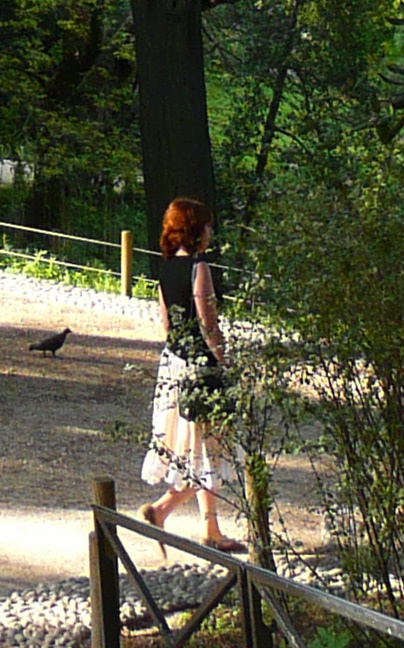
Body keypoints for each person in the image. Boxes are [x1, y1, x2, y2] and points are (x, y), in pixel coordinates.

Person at [140, 195, 240, 548]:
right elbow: (208, 323)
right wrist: (224, 361)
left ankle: (210, 529)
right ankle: (163, 510)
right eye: (208, 226)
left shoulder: (165, 269)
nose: (211, 232)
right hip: (199, 369)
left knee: (196, 449)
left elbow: (167, 323)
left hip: (173, 364)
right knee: (205, 447)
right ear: (197, 230)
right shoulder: (200, 269)